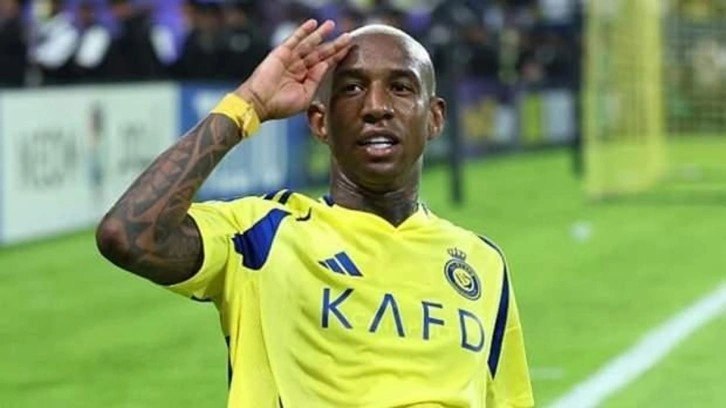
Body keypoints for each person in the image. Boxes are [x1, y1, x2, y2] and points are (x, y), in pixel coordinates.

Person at [96, 19, 534, 407]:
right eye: (352, 88)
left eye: (401, 88)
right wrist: (248, 103)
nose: (376, 107)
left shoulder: (483, 263)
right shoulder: (260, 236)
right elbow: (127, 235)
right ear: (320, 121)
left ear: (435, 118)